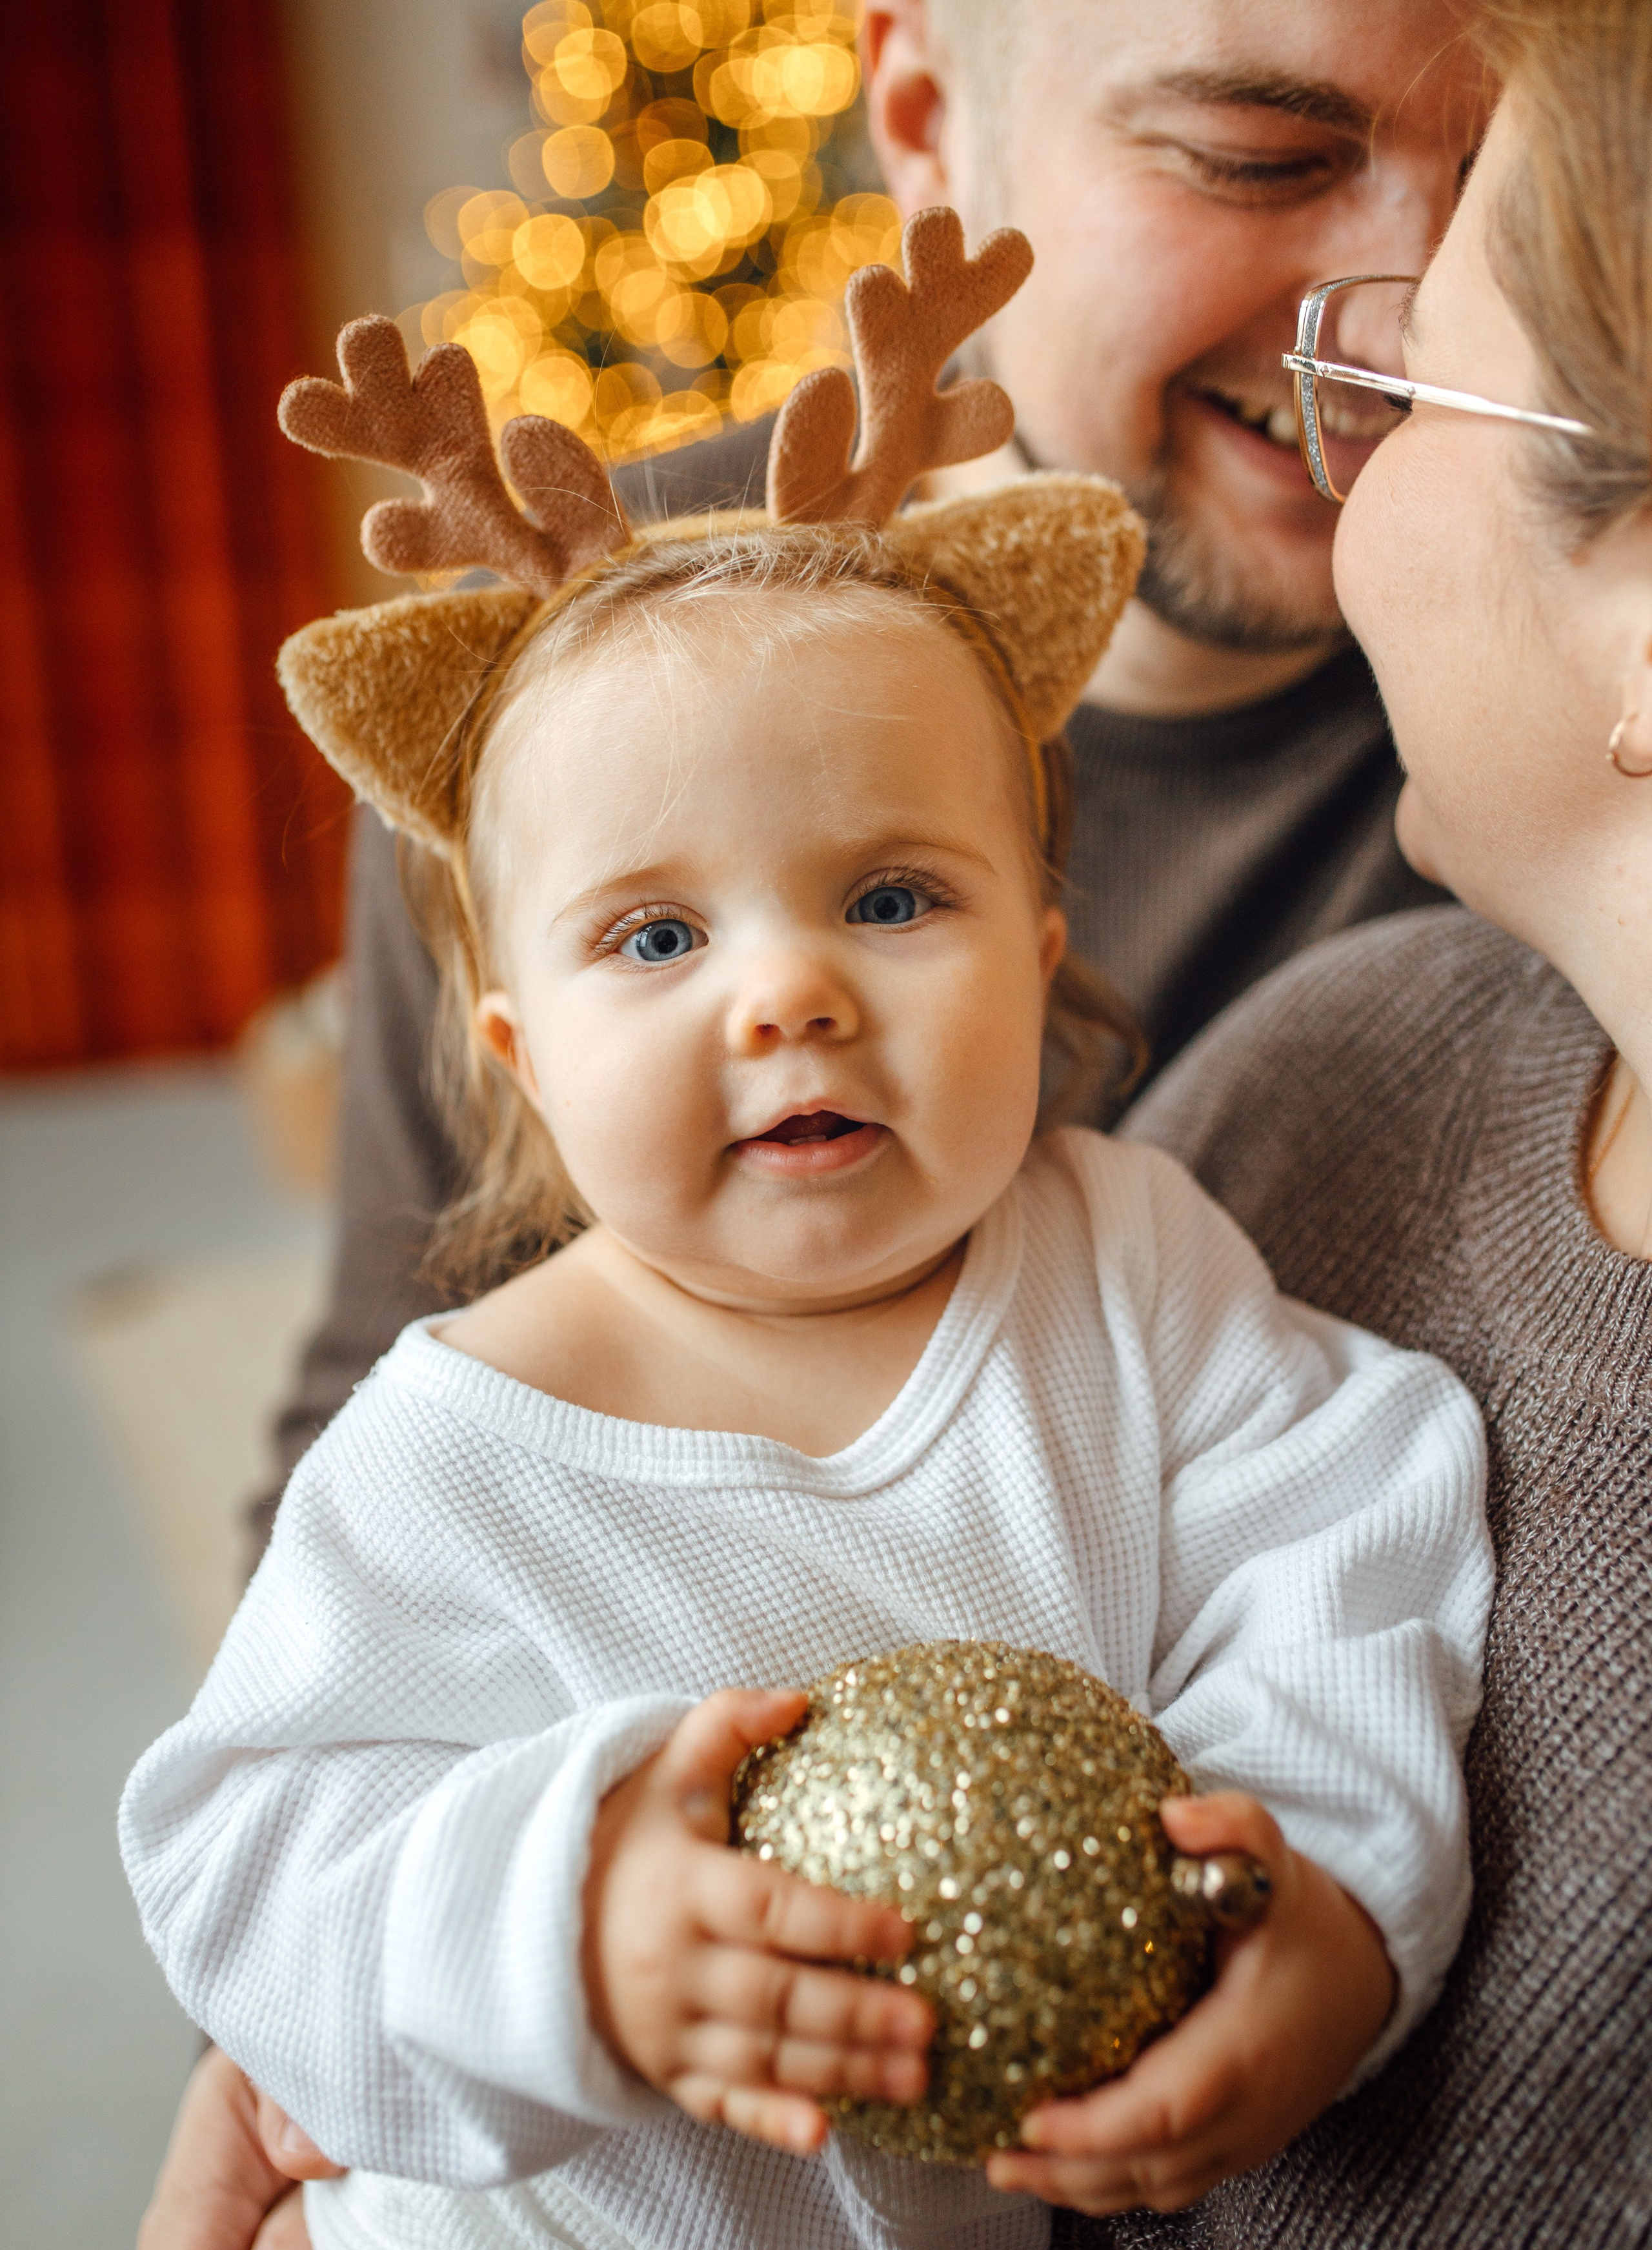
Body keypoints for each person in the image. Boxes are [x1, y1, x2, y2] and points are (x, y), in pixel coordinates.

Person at [125, 1, 1652, 2250]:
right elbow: (262, 1816)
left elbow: (1357, 1545)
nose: (792, 989)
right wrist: (526, 1944)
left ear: (1051, 952)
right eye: (1261, 149)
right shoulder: (561, 688)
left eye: (899, 895)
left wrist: (1329, 1921)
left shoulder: (1185, 1200)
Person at [255, 0, 1486, 1534]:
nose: (1400, 334)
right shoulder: (543, 679)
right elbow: (367, 1488)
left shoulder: (1569, 712)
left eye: (1508, 180)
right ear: (918, 119)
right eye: (1259, 160)